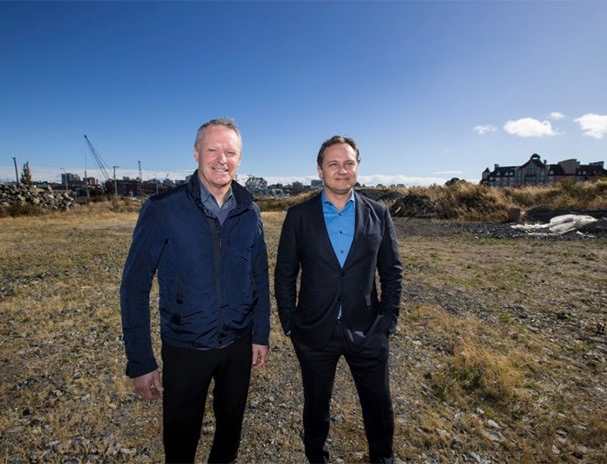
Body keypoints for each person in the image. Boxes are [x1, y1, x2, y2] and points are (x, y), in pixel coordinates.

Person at [120, 118, 270, 464]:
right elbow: (134, 288)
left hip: (238, 344)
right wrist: (141, 361)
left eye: (230, 152)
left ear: (240, 159)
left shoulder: (251, 211)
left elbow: (260, 276)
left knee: (230, 429)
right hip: (186, 346)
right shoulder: (162, 210)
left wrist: (260, 334)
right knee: (180, 437)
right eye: (213, 149)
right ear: (196, 153)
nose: (222, 159)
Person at [274, 135, 403, 463]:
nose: (341, 170)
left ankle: (383, 459)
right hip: (315, 332)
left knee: (379, 407)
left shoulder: (378, 213)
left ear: (357, 167)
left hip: (368, 330)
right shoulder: (299, 216)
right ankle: (316, 457)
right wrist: (290, 322)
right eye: (333, 164)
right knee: (316, 408)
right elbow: (285, 273)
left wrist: (387, 320)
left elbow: (392, 270)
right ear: (320, 170)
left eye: (348, 163)